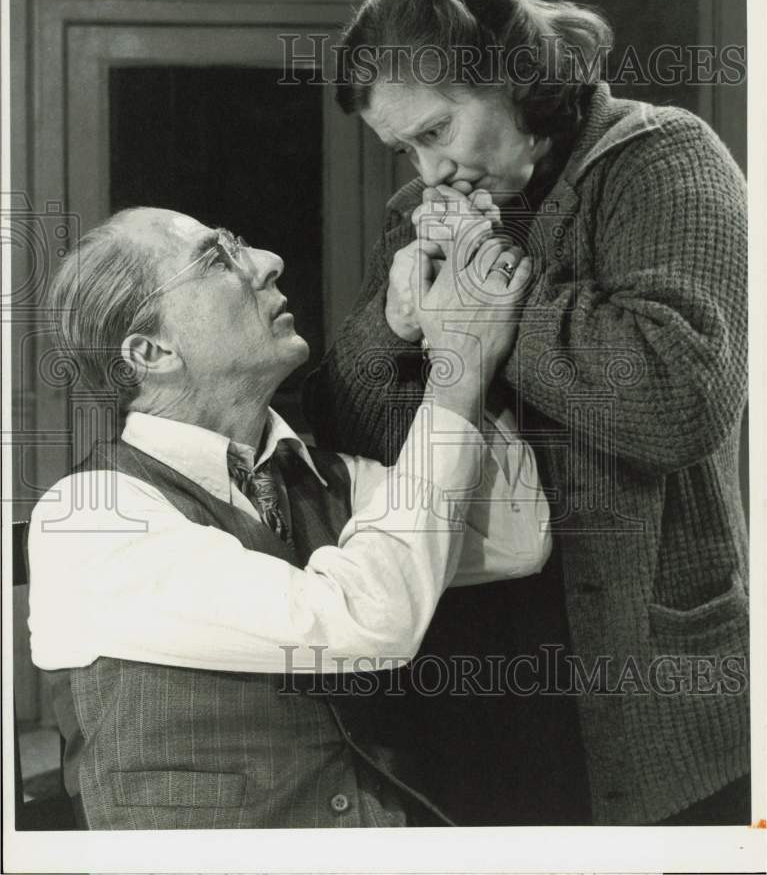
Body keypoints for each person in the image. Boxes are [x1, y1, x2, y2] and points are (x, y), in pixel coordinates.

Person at [303, 0, 750, 825]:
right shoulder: (420, 207)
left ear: (516, 80)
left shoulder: (664, 159)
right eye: (405, 148)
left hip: (649, 675)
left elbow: (676, 399)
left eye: (437, 132)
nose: (428, 172)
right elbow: (356, 436)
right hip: (473, 662)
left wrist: (492, 299)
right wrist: (393, 326)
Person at [27, 205, 550, 830]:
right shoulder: (87, 520)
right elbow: (367, 621)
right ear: (152, 350)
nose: (270, 262)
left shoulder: (323, 476)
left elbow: (515, 535)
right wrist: (458, 367)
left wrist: (445, 335)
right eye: (218, 257)